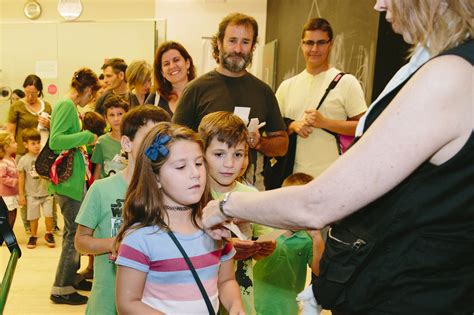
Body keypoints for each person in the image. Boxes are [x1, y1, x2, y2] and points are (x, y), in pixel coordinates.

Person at [202, 0, 473, 313]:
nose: (379, 5)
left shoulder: (451, 75)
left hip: (418, 289)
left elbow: (316, 203)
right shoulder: (445, 66)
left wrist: (227, 205)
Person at [114, 122, 244, 314]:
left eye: (199, 163)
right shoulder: (139, 238)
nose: (195, 174)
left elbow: (226, 280)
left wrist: (235, 305)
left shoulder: (215, 228)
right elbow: (127, 303)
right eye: (181, 166)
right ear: (156, 177)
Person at [173, 13, 288, 190]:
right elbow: (176, 141)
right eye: (232, 40)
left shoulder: (263, 92)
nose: (238, 49)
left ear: (253, 47)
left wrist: (259, 143)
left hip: (251, 187)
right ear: (219, 43)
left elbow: (282, 146)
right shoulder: (196, 89)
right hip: (202, 187)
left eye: (245, 42)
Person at [74, 106, 170, 315]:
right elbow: (81, 241)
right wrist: (114, 243)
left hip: (154, 302)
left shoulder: (171, 193)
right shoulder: (101, 189)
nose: (156, 147)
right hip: (106, 301)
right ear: (127, 143)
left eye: (162, 140)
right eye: (148, 138)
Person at [198, 111, 276, 314]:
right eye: (219, 154)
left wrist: (265, 247)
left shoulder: (250, 194)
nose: (230, 164)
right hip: (202, 298)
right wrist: (227, 247)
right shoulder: (193, 193)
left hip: (242, 298)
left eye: (238, 154)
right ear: (202, 153)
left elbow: (262, 237)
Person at [276, 18, 367, 178]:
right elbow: (274, 129)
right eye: (309, 42)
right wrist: (293, 126)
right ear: (301, 44)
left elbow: (363, 126)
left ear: (330, 44)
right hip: (292, 179)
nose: (314, 49)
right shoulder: (287, 86)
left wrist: (325, 123)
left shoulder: (347, 82)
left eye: (321, 43)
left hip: (332, 178)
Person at [49, 67, 101, 305]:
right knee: (73, 234)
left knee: (74, 231)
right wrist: (87, 137)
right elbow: (56, 141)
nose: (91, 100)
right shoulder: (66, 105)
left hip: (73, 180)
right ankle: (61, 287)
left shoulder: (71, 107)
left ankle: (71, 278)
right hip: (67, 183)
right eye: (93, 94)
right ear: (89, 90)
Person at [253, 173, 324, 315]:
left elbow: (319, 270)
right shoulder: (265, 226)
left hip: (287, 308)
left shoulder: (308, 239)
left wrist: (317, 238)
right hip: (254, 303)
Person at [7, 74, 52, 232]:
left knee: (45, 186)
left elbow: (53, 128)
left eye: (33, 92)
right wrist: (10, 151)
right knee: (25, 189)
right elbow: (10, 130)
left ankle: (50, 223)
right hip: (23, 153)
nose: (29, 96)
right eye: (27, 92)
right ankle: (28, 224)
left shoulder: (46, 106)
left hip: (42, 152)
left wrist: (49, 123)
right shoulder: (17, 107)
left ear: (39, 91)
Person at [17, 128, 55, 249]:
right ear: (25, 144)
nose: (37, 146)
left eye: (38, 142)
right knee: (33, 217)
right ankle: (33, 236)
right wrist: (21, 195)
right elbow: (21, 178)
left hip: (46, 193)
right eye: (33, 143)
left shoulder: (44, 156)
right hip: (32, 194)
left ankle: (49, 233)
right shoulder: (23, 160)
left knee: (49, 214)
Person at [145, 41, 196, 118]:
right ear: (162, 72)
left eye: (176, 60)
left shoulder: (201, 94)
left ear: (187, 63)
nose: (172, 66)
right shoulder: (155, 98)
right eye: (166, 64)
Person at [91, 94, 129, 180]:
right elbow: (98, 169)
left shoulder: (134, 139)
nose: (116, 119)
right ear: (106, 118)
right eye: (111, 115)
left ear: (127, 115)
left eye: (120, 114)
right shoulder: (102, 141)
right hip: (108, 190)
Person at [0, 132, 18, 228]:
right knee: (8, 216)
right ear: (6, 147)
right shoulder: (3, 163)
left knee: (13, 214)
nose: (16, 144)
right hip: (6, 195)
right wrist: (15, 182)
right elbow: (2, 177)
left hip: (13, 193)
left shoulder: (12, 159)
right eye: (14, 142)